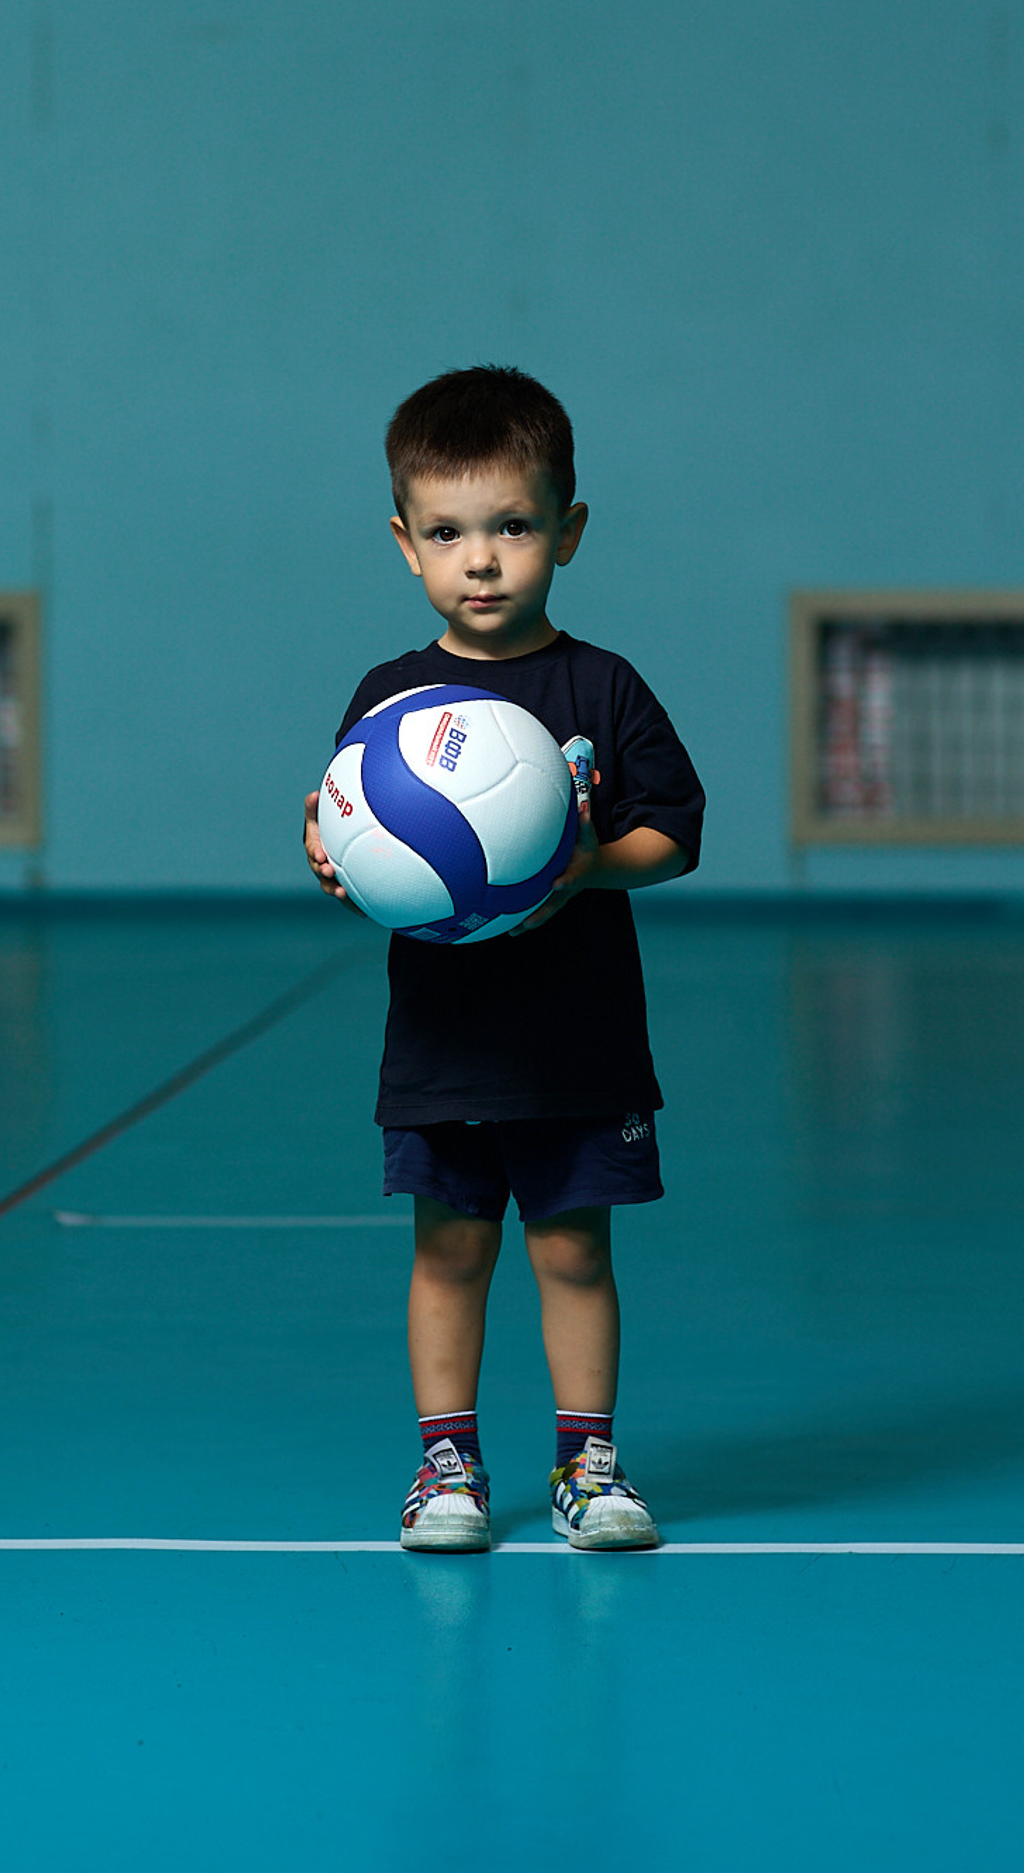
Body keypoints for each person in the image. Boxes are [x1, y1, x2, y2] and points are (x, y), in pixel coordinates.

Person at [302, 365, 705, 1551]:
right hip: (445, 1044)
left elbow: (673, 836)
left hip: (580, 1041)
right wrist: (329, 855)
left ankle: (589, 1465)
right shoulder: (391, 704)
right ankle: (448, 1469)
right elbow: (350, 829)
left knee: (575, 1250)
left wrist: (581, 865)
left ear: (567, 533)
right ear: (405, 543)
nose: (481, 560)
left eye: (513, 527)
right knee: (452, 1249)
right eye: (447, 532)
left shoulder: (602, 686)